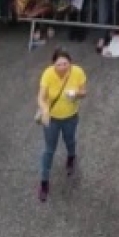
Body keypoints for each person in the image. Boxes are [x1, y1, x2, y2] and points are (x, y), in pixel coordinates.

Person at [36, 47, 87, 201]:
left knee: (70, 140)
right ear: (53, 64)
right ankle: (44, 182)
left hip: (71, 116)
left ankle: (71, 156)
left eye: (65, 64)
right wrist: (45, 109)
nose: (62, 67)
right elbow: (41, 96)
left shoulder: (77, 72)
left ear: (70, 63)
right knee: (48, 150)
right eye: (59, 64)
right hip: (52, 118)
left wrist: (76, 94)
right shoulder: (48, 74)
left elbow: (84, 92)